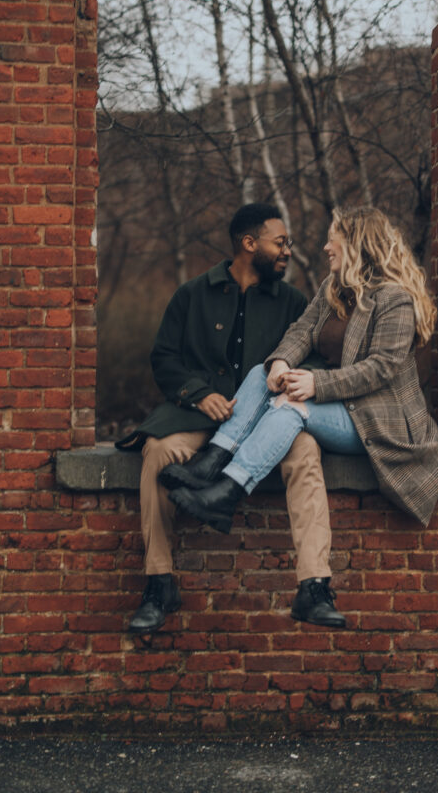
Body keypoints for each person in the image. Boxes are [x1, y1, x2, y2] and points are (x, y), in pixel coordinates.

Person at [168, 207, 438, 597]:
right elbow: (301, 331)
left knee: (290, 408)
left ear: (355, 243)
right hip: (339, 406)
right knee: (259, 374)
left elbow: (380, 369)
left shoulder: (394, 299)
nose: (325, 246)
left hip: (377, 421)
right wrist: (282, 360)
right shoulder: (333, 288)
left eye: (333, 237)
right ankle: (214, 462)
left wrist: (317, 384)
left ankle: (228, 491)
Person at [119, 203, 345, 635]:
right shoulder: (192, 294)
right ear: (248, 243)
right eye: (280, 243)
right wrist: (199, 395)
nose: (288, 252)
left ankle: (314, 587)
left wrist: (284, 382)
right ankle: (158, 583)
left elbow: (313, 360)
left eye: (288, 244)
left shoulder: (295, 303)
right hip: (198, 416)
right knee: (157, 451)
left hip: (270, 420)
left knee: (306, 452)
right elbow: (163, 358)